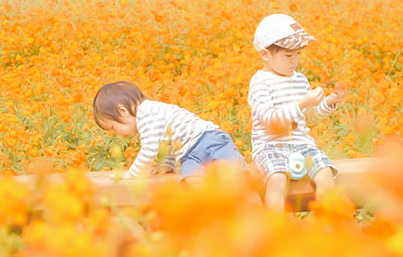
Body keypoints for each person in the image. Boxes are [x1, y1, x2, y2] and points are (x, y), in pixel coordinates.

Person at [247, 14, 346, 211]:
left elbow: (308, 117)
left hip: (302, 145)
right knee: (277, 180)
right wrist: (301, 103)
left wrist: (328, 103)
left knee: (325, 174)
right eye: (288, 56)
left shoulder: (300, 79)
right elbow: (269, 120)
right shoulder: (259, 82)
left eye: (299, 54)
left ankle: (330, 224)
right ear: (266, 54)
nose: (295, 62)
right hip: (270, 146)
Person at [93, 81, 244, 180]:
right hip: (189, 155)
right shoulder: (149, 115)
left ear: (123, 111)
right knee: (190, 182)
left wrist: (133, 174)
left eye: (113, 127)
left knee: (235, 177)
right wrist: (167, 165)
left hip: (209, 140)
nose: (117, 134)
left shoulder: (146, 114)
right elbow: (168, 140)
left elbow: (149, 150)